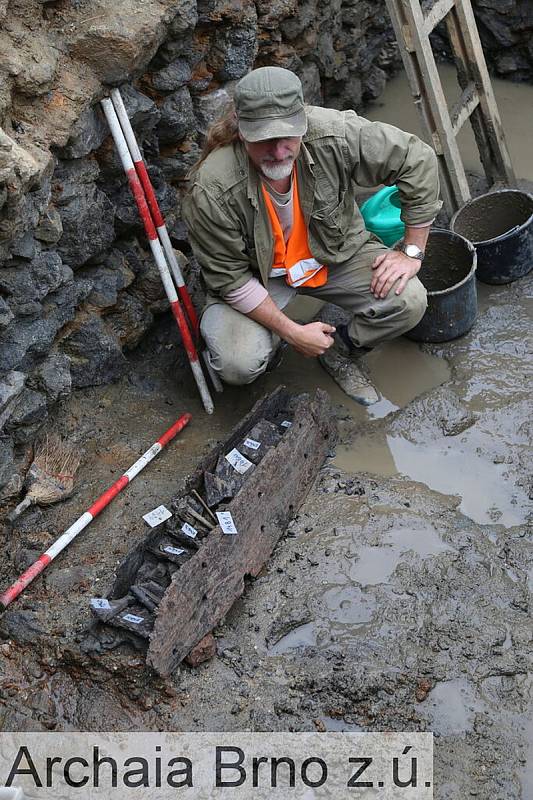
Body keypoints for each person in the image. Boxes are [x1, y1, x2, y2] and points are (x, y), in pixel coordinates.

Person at [182, 66, 441, 405]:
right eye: (263, 140)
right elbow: (230, 278)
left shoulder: (333, 134)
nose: (278, 152)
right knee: (237, 364)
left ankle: (340, 351)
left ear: (302, 122)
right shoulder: (212, 187)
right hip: (258, 277)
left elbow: (416, 159)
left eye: (287, 137)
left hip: (331, 253)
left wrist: (410, 252)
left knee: (408, 299)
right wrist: (291, 332)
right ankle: (273, 337)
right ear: (242, 132)